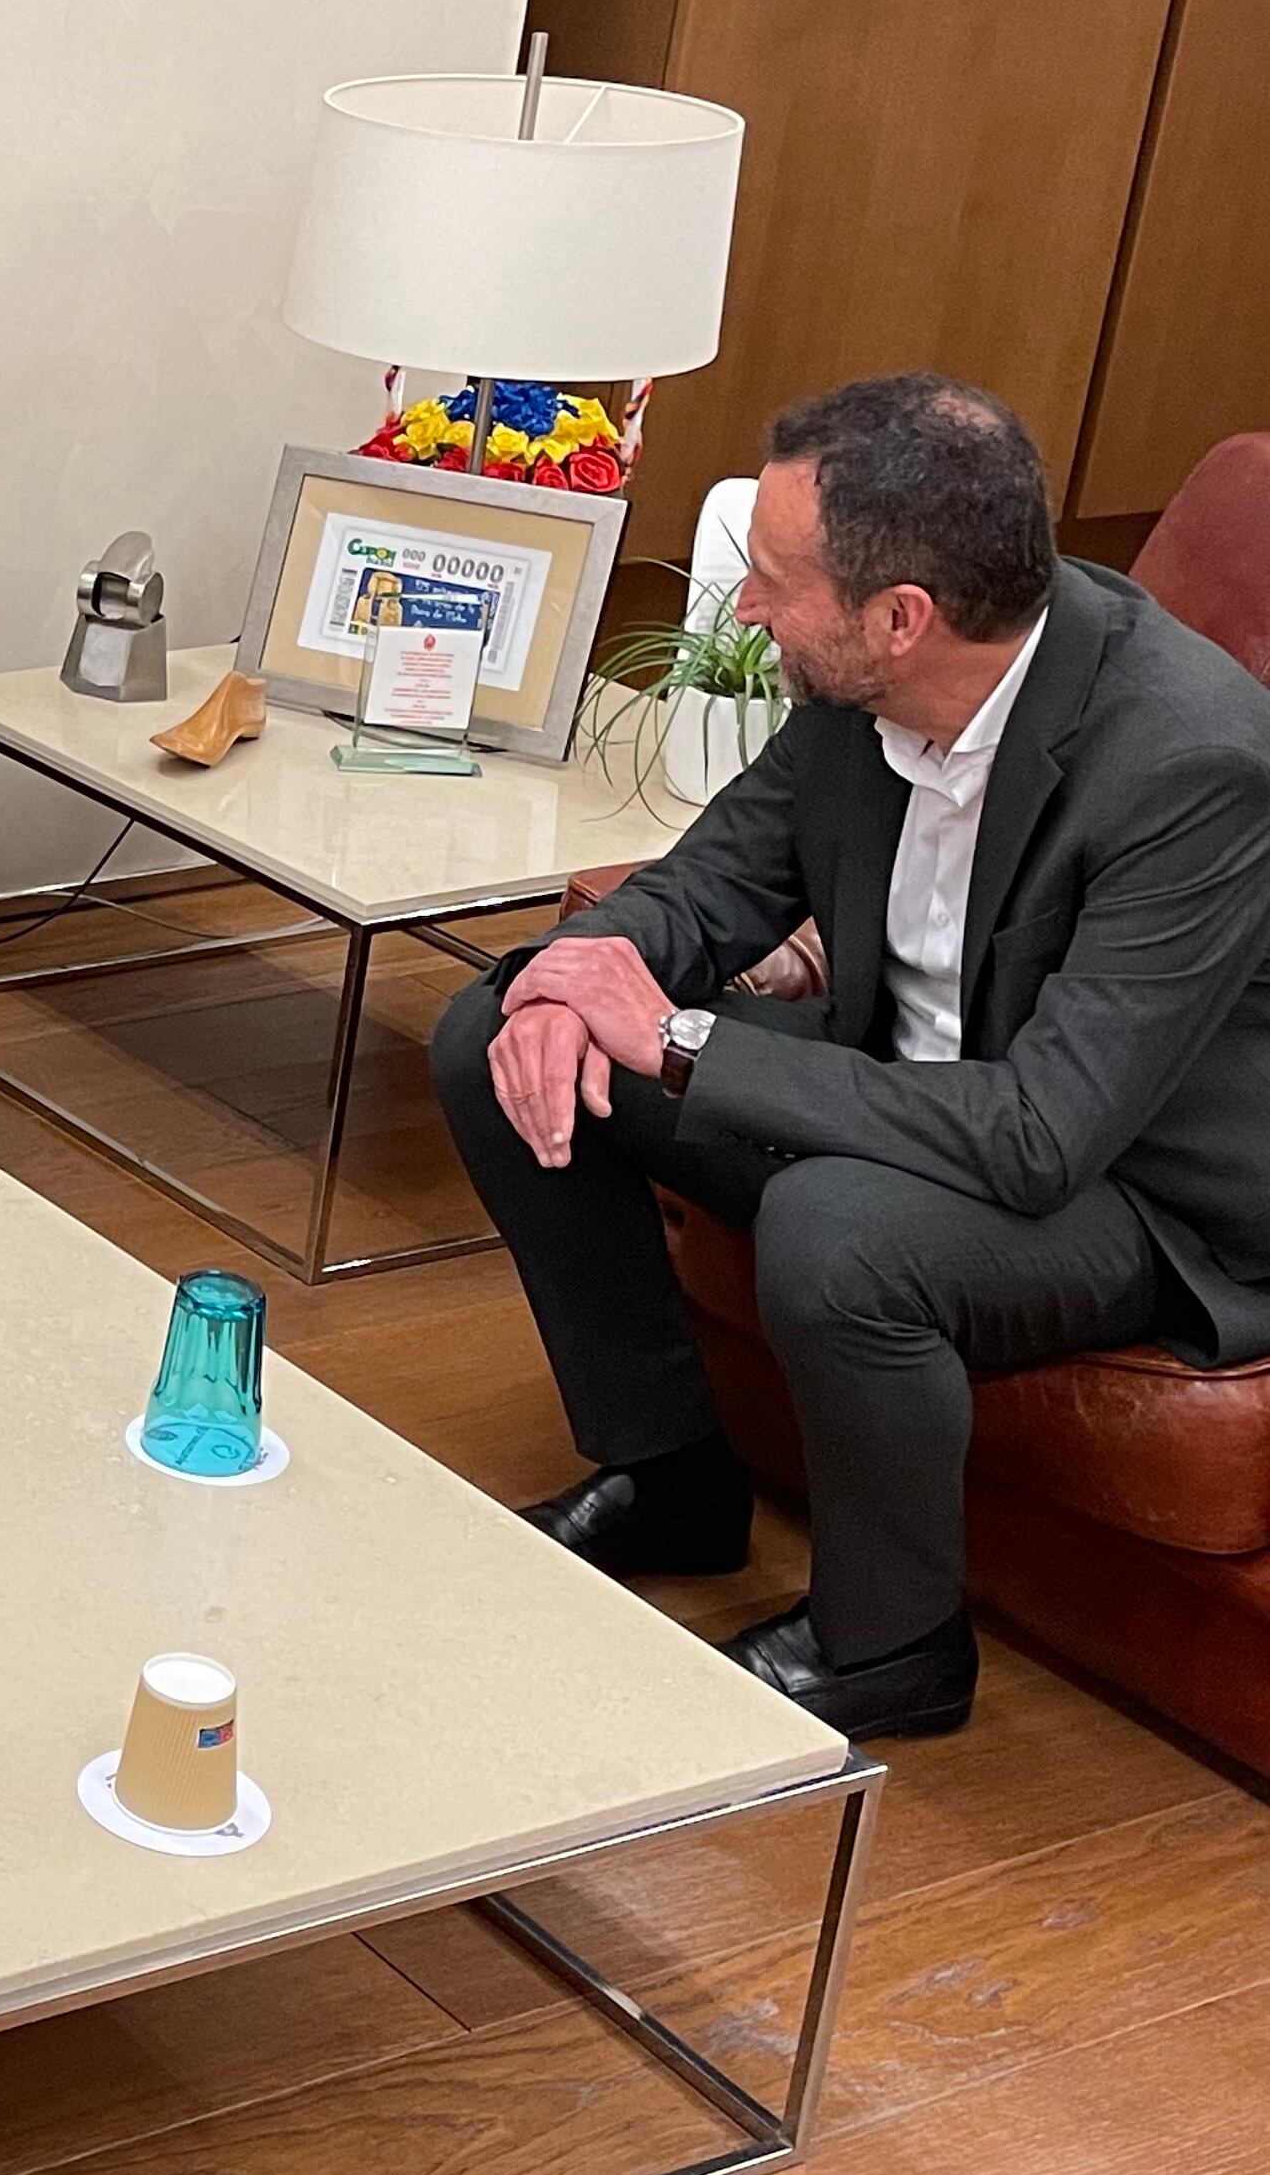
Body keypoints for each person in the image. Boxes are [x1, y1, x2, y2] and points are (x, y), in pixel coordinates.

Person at [435, 374, 1270, 1740]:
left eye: (772, 582)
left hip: (1136, 1195)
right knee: (493, 1032)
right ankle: (670, 1474)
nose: (744, 611)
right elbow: (710, 887)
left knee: (842, 1229)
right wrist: (576, 986)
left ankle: (894, 1648)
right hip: (915, 1090)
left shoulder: (1192, 765)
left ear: (901, 617)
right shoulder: (861, 686)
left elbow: (1043, 1133)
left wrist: (681, 1040)